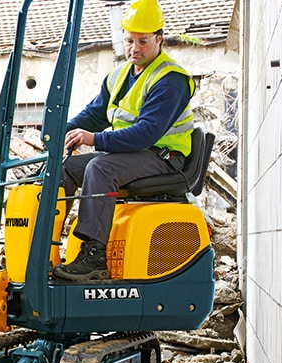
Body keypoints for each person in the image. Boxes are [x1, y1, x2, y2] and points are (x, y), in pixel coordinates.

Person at [53, 0, 194, 281]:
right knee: (67, 168)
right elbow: (93, 116)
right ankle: (49, 244)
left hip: (163, 157)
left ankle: (94, 256)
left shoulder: (171, 79)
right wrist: (57, 135)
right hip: (131, 156)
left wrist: (94, 139)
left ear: (159, 38)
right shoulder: (118, 76)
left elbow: (146, 133)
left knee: (101, 168)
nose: (135, 48)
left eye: (143, 41)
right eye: (130, 40)